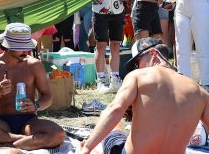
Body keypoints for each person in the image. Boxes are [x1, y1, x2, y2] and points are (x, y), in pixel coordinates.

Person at [80, 37, 209, 154]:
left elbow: (115, 109)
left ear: (153, 54)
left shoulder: (138, 76)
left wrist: (87, 148)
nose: (137, 68)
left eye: (137, 63)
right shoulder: (200, 92)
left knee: (112, 122)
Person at [0, 23, 65, 151]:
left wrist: (36, 105)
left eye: (27, 46)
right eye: (20, 47)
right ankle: (23, 141)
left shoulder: (34, 65)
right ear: (7, 47)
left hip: (29, 123)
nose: (25, 50)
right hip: (2, 124)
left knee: (58, 134)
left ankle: (3, 146)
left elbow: (47, 97)